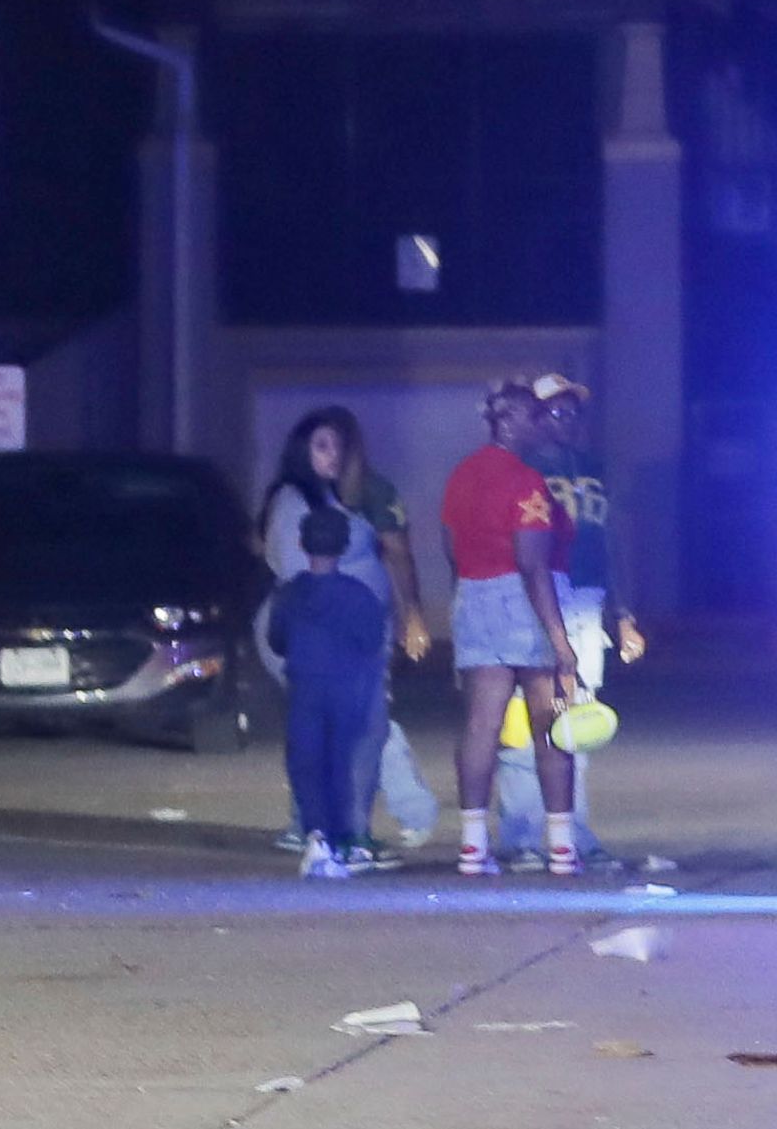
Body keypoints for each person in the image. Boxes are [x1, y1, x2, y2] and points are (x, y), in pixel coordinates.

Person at [255, 406, 429, 863]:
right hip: (328, 650)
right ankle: (338, 833)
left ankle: (326, 830)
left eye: (338, 445)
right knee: (348, 737)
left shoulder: (334, 498)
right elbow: (294, 580)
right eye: (321, 445)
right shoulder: (294, 501)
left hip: (342, 648)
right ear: (300, 450)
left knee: (344, 737)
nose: (333, 456)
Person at [439, 376, 591, 880]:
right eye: (532, 416)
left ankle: (472, 844)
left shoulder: (461, 474)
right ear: (508, 421)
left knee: (482, 726)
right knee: (551, 725)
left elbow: (448, 542)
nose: (540, 424)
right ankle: (562, 847)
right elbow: (533, 564)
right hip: (522, 602)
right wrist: (559, 640)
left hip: (473, 596)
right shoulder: (526, 481)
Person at [496, 372, 642, 864]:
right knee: (525, 717)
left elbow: (612, 541)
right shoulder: (521, 467)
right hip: (540, 592)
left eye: (573, 411)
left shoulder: (594, 467)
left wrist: (622, 614)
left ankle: (573, 830)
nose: (567, 420)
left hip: (585, 596)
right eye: (556, 411)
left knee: (576, 718)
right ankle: (519, 835)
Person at [274, 504, 389, 881]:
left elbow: (277, 640)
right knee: (341, 764)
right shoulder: (359, 595)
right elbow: (372, 640)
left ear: (302, 544)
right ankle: (345, 839)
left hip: (305, 688)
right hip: (347, 691)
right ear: (344, 546)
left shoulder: (289, 594)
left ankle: (317, 836)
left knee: (306, 763)